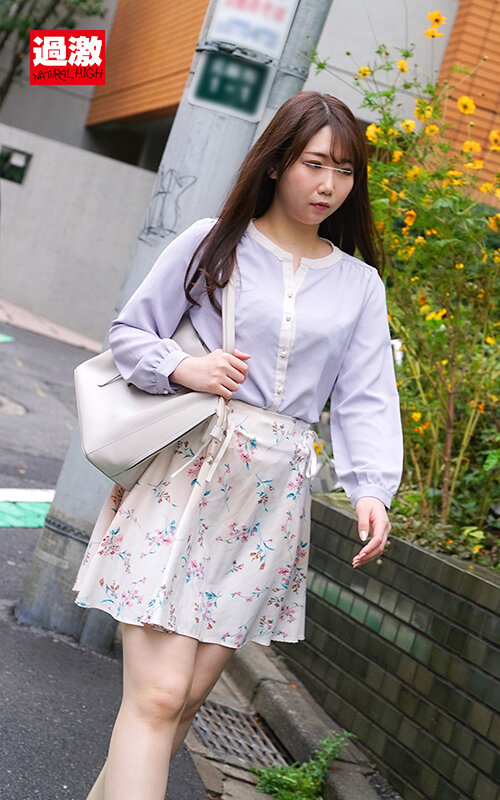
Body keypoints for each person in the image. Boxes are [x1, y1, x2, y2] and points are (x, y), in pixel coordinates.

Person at [73, 91, 403, 800]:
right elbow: (130, 334)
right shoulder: (213, 241)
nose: (328, 184)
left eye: (345, 170)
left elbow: (367, 396)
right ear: (278, 162)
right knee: (160, 697)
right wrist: (183, 367)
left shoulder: (358, 286)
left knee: (185, 700)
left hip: (267, 502)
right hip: (188, 475)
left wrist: (372, 488)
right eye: (314, 163)